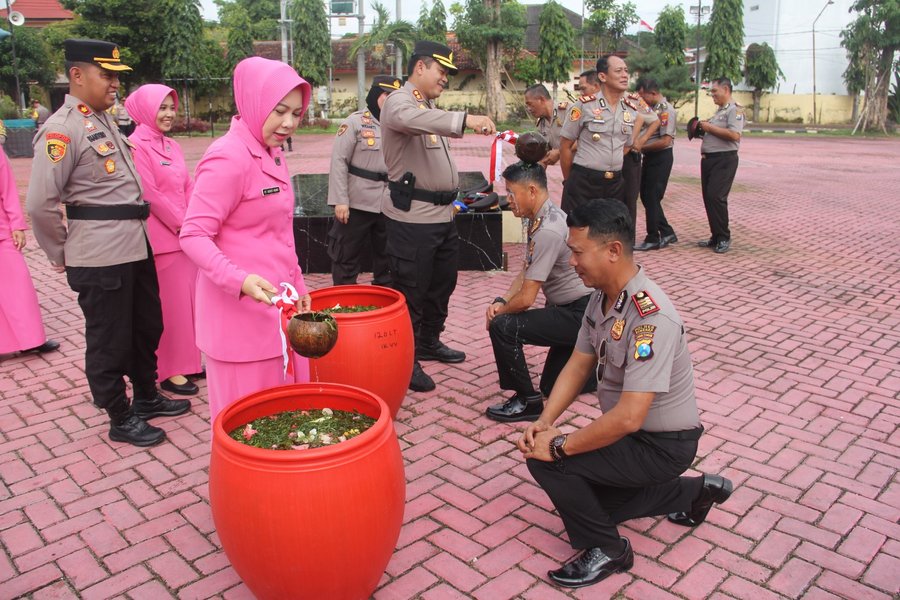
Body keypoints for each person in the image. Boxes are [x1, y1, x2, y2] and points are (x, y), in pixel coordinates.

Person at [519, 198, 733, 589]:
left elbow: (630, 416)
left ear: (613, 251)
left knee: (548, 462)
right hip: (631, 437)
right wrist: (545, 421)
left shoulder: (651, 317)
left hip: (662, 446)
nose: (571, 262)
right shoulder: (600, 298)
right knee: (600, 503)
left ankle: (610, 551)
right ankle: (700, 491)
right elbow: (579, 363)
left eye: (579, 252)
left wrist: (559, 445)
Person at [26, 39, 190, 447]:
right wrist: (61, 252)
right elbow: (40, 205)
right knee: (109, 337)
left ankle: (147, 396)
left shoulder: (103, 122)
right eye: (107, 75)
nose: (116, 83)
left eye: (118, 76)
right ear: (77, 76)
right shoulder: (62, 130)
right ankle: (120, 416)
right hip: (99, 254)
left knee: (145, 326)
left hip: (135, 246)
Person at [180, 56, 313, 424]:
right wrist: (238, 280)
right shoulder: (228, 157)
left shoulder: (270, 152)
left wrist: (297, 283)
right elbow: (193, 234)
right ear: (254, 103)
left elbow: (278, 232)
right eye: (279, 111)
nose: (288, 123)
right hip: (239, 324)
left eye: (297, 114)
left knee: (283, 424)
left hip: (277, 314)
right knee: (250, 431)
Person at [379, 40, 496, 393]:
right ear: (419, 68)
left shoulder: (426, 105)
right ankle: (406, 358)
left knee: (441, 284)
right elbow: (406, 118)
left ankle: (429, 340)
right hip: (412, 219)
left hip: (442, 216)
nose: (445, 78)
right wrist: (466, 119)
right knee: (411, 291)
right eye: (441, 71)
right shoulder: (402, 101)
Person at [484, 160, 593, 422]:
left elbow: (526, 299)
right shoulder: (543, 216)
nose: (508, 200)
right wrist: (501, 299)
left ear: (532, 191)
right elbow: (527, 271)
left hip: (579, 314)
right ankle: (598, 364)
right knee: (552, 385)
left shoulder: (548, 229)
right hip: (570, 311)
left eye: (512, 192)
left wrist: (500, 314)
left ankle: (527, 401)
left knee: (503, 327)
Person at [126, 84, 202, 396]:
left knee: (188, 305)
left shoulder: (172, 146)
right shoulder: (135, 146)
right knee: (169, 309)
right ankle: (169, 369)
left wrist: (195, 219)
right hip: (162, 239)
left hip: (185, 235)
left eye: (172, 107)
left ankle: (189, 362)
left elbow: (188, 184)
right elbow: (148, 193)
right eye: (162, 108)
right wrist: (183, 224)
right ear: (145, 109)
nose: (169, 114)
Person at [326, 76, 400, 287]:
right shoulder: (354, 122)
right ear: (376, 95)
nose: (391, 101)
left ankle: (384, 301)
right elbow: (339, 162)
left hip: (388, 202)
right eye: (388, 95)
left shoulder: (399, 126)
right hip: (356, 202)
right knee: (345, 255)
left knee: (387, 258)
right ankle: (344, 298)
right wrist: (340, 201)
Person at [559, 55, 656, 215]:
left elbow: (626, 145)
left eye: (626, 71)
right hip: (584, 181)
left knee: (609, 232)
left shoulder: (630, 109)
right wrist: (569, 181)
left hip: (615, 183)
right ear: (602, 76)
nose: (625, 75)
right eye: (618, 71)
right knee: (580, 230)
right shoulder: (583, 106)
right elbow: (565, 146)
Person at [0, 147, 60, 357]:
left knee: (18, 285)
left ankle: (31, 339)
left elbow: (7, 190)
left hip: (2, 231)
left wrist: (16, 225)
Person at [697, 77, 744, 254]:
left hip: (724, 160)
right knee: (708, 198)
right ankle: (715, 235)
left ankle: (724, 236)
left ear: (726, 89)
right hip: (709, 159)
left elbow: (734, 135)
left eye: (715, 91)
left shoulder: (735, 110)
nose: (712, 95)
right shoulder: (719, 112)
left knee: (716, 196)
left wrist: (709, 128)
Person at [634, 78, 678, 251]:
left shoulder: (666, 110)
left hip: (661, 157)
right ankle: (667, 232)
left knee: (651, 196)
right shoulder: (652, 110)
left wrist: (640, 146)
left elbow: (665, 141)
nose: (641, 100)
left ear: (652, 93)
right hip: (650, 156)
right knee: (646, 196)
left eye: (643, 96)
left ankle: (653, 237)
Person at [524, 84, 566, 168]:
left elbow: (584, 139)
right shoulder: (541, 123)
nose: (528, 109)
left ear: (541, 99)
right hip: (569, 171)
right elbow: (544, 154)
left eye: (530, 104)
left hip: (585, 168)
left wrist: (559, 152)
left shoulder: (567, 112)